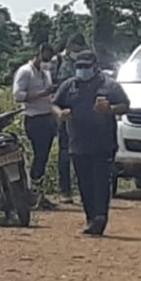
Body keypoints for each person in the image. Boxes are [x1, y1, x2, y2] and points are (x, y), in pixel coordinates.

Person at [53, 50, 130, 236]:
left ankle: (100, 217)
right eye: (79, 66)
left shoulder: (109, 86)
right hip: (78, 143)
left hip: (103, 144)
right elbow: (55, 104)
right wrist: (59, 113)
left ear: (95, 67)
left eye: (86, 67)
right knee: (84, 183)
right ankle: (91, 217)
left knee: (101, 182)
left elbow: (125, 105)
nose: (82, 70)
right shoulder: (69, 86)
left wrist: (110, 109)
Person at [14, 43, 59, 208]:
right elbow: (18, 96)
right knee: (39, 157)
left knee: (44, 157)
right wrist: (42, 94)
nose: (47, 61)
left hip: (47, 117)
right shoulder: (25, 72)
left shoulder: (45, 72)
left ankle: (38, 194)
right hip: (34, 118)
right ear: (38, 54)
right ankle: (32, 193)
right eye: (45, 57)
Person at [50, 33, 88, 203]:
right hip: (63, 112)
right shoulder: (56, 62)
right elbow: (49, 87)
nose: (77, 52)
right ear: (70, 46)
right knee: (65, 152)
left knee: (82, 153)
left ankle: (83, 190)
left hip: (82, 114)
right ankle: (64, 191)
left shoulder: (84, 64)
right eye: (76, 49)